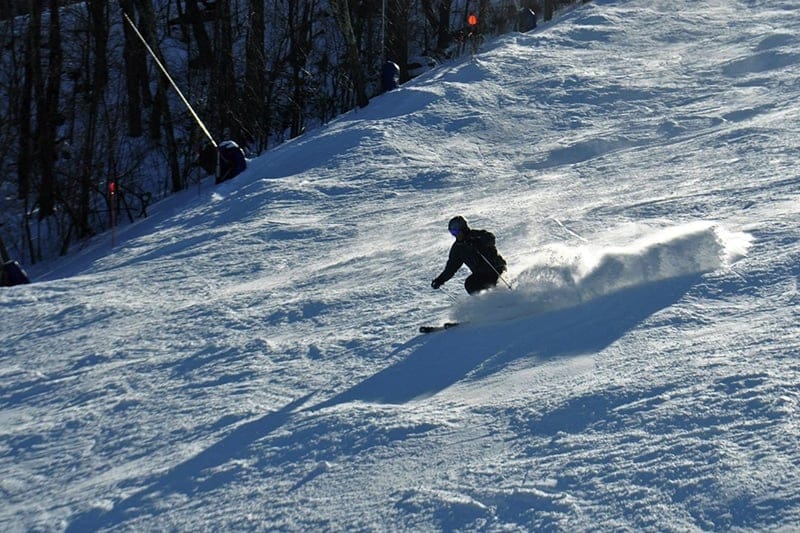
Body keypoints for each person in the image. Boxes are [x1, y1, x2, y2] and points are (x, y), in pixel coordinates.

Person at [431, 216, 507, 294]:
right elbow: (451, 267)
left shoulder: (476, 235)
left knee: (493, 281)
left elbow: (490, 238)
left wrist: (477, 243)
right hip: (481, 274)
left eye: (456, 232)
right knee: (470, 284)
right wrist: (440, 280)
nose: (455, 235)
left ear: (463, 229)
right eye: (452, 233)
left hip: (495, 268)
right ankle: (487, 301)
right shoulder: (458, 248)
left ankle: (506, 293)